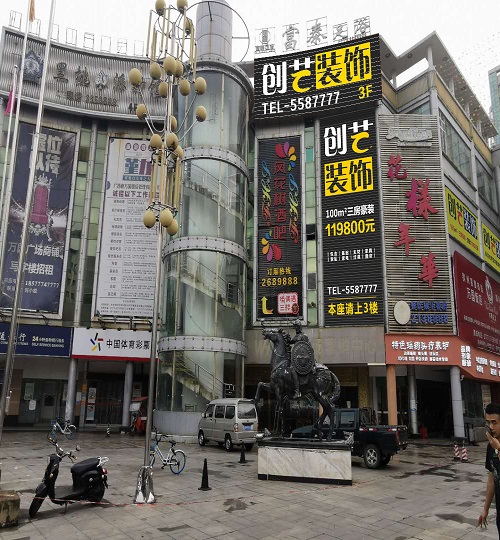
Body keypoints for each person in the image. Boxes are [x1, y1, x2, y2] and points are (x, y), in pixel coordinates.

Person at [478, 402, 500, 535]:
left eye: (494, 422)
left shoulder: (495, 446)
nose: (491, 427)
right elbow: (492, 477)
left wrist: (498, 448)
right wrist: (485, 509)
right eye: (488, 422)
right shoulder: (490, 446)